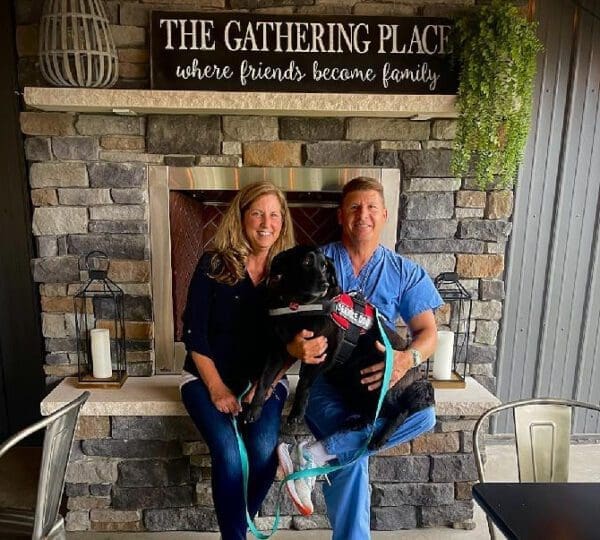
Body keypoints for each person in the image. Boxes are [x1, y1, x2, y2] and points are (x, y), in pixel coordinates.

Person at [280, 177, 443, 539]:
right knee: (353, 459)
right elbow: (285, 316)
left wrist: (405, 360)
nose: (363, 215)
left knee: (425, 416)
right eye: (354, 207)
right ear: (340, 216)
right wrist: (294, 347)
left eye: (371, 207)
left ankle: (316, 452)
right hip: (324, 382)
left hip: (378, 385)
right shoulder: (316, 262)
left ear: (385, 215)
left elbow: (428, 334)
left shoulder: (404, 272)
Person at [180, 181, 295, 540]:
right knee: (229, 454)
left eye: (274, 214)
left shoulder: (288, 273)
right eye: (258, 212)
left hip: (267, 381)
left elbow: (293, 343)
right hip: (205, 379)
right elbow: (194, 334)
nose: (266, 222)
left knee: (263, 451)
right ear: (242, 216)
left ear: (282, 221)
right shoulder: (213, 263)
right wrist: (216, 389)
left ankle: (238, 528)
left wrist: (264, 387)